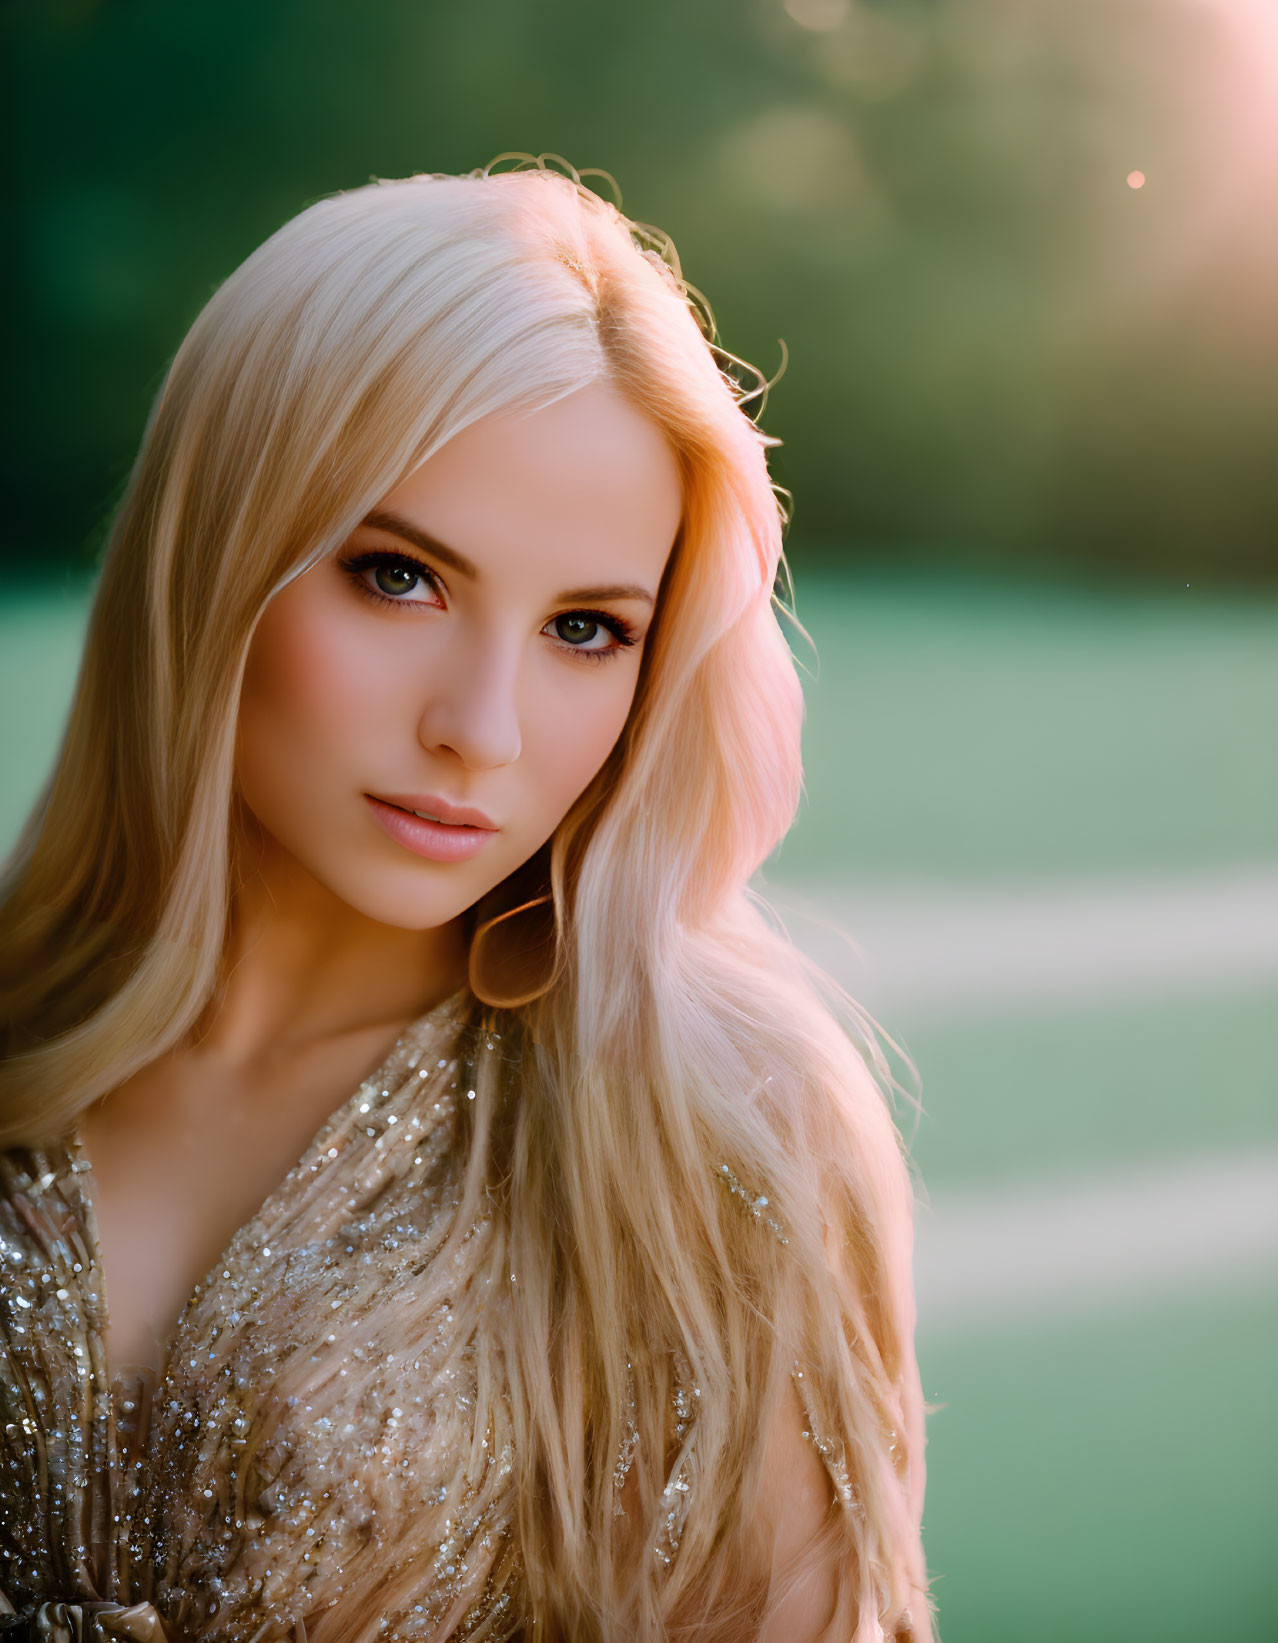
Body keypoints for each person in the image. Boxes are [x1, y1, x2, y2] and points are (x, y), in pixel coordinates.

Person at [0, 157, 933, 1642]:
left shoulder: (714, 1133)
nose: (482, 730)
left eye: (584, 628)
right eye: (398, 578)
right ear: (211, 556)